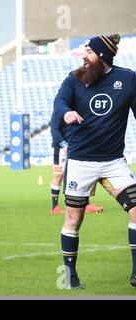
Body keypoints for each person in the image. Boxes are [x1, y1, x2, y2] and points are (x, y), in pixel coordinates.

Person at [52, 34, 136, 288]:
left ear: (102, 56)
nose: (83, 56)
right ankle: (69, 275)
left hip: (114, 163)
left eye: (88, 52)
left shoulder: (128, 79)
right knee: (74, 220)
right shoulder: (74, 78)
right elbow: (59, 102)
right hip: (80, 162)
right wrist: (66, 112)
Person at [50, 111, 104, 214]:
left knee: (82, 173)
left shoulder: (79, 108)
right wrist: (63, 144)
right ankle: (54, 207)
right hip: (60, 148)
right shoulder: (60, 110)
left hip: (77, 146)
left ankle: (87, 204)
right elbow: (54, 130)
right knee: (58, 175)